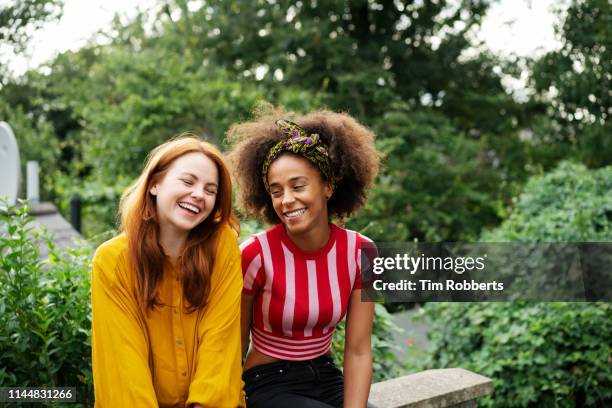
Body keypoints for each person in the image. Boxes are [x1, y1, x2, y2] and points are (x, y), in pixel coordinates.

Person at [228, 109, 380, 408]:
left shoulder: (363, 253)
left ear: (328, 186)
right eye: (276, 191)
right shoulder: (255, 254)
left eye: (298, 186)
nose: (286, 200)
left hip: (326, 375)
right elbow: (234, 346)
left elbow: (359, 350)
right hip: (268, 383)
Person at [91, 136, 244, 407]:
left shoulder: (223, 247)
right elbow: (123, 362)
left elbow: (220, 343)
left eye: (210, 190)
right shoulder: (112, 261)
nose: (199, 194)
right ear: (154, 184)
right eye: (187, 182)